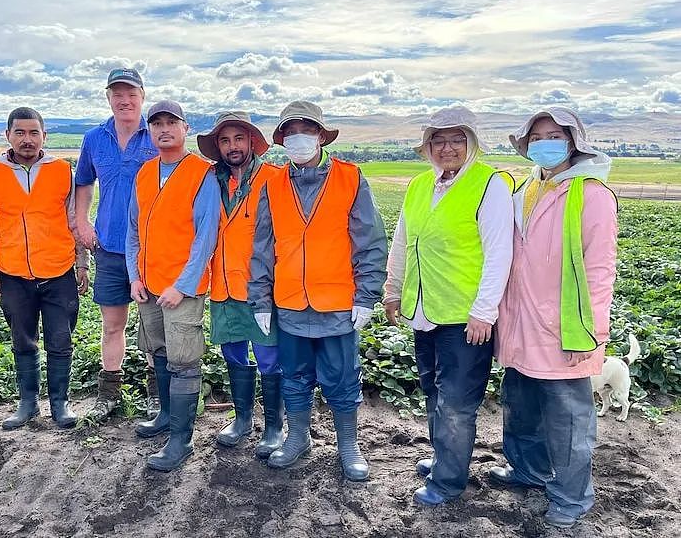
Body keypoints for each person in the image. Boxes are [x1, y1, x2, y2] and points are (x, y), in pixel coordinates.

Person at [492, 106, 617, 529]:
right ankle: (528, 471)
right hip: (519, 320)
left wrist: (592, 330)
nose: (545, 143)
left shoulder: (591, 194)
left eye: (554, 135)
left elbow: (600, 268)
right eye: (537, 137)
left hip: (565, 327)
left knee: (568, 420)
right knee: (520, 405)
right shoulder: (524, 188)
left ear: (573, 142)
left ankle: (570, 498)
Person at [249, 101, 387, 482]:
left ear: (322, 136)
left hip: (338, 304)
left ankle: (348, 446)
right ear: (281, 141)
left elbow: (370, 241)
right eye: (289, 132)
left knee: (342, 377)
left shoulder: (350, 178)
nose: (297, 139)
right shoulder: (272, 185)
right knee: (293, 375)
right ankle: (298, 438)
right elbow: (262, 246)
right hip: (291, 303)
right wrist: (260, 298)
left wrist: (366, 294)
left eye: (305, 130)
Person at [383, 107, 514, 505]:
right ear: (427, 147)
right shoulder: (420, 185)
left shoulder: (488, 184)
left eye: (457, 139)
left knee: (457, 402)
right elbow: (403, 240)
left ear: (472, 143)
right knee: (434, 392)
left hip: (465, 316)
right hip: (426, 310)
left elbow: (499, 252)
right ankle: (445, 457)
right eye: (438, 140)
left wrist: (484, 310)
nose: (447, 148)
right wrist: (393, 288)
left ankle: (448, 481)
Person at [0, 107, 89, 430]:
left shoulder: (61, 171)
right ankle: (27, 403)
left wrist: (81, 262)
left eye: (33, 133)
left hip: (58, 271)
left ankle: (60, 403)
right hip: (12, 272)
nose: (27, 140)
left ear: (44, 136)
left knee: (60, 339)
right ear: (8, 135)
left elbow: (74, 219)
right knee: (22, 340)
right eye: (20, 133)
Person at [127, 100, 220, 471]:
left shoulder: (202, 173)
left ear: (185, 128)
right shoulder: (145, 172)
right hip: (149, 286)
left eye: (171, 123)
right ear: (150, 131)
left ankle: (182, 440)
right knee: (160, 354)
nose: (164, 129)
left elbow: (205, 237)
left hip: (181, 289)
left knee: (183, 361)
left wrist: (182, 285)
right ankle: (165, 417)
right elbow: (133, 230)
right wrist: (135, 277)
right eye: (157, 124)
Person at [196, 112, 284, 458]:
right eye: (224, 140)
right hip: (222, 283)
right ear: (218, 146)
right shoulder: (209, 180)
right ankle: (243, 417)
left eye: (238, 139)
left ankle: (275, 425)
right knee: (233, 353)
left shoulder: (274, 178)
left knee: (268, 356)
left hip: (261, 287)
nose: (232, 147)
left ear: (251, 142)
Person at [75, 68, 159, 421]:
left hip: (152, 248)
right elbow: (83, 182)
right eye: (117, 94)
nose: (125, 100)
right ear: (108, 97)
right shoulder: (95, 138)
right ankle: (108, 394)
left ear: (142, 95)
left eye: (131, 93)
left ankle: (158, 394)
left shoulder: (156, 135)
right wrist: (81, 220)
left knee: (154, 325)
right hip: (109, 245)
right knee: (112, 325)